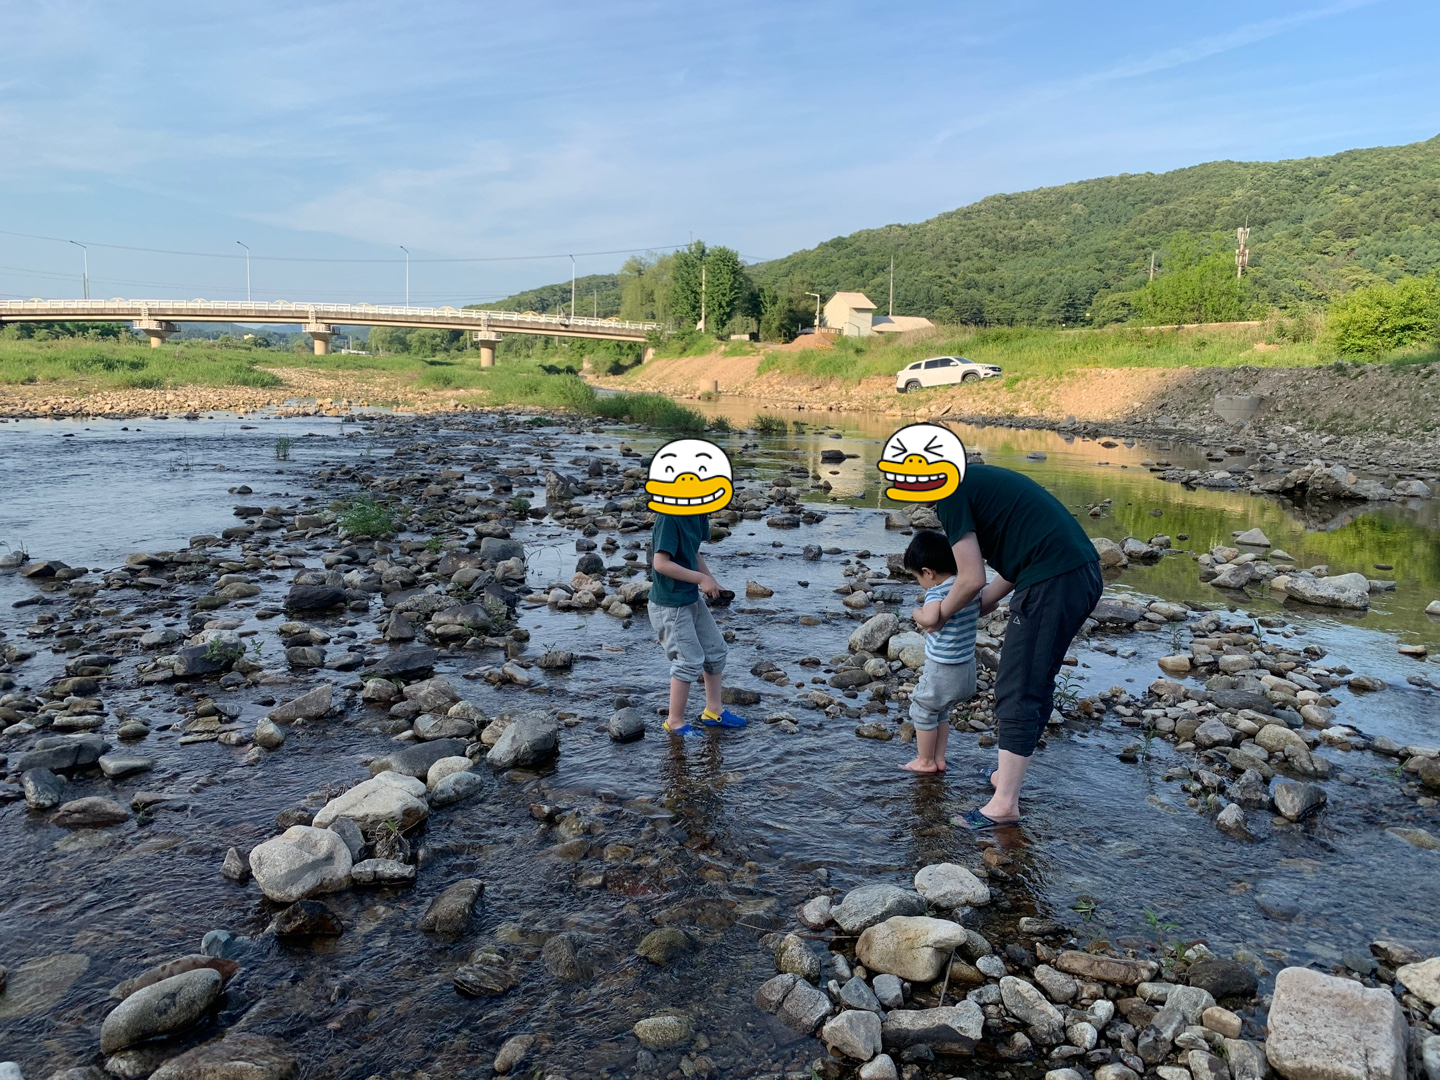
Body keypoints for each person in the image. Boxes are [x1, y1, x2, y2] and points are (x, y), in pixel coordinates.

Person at [931, 463, 1102, 827]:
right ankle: (1005, 780)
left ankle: (1004, 804)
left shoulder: (947, 491)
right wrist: (980, 605)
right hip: (1080, 572)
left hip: (1054, 579)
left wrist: (940, 614)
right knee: (1035, 681)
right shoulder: (978, 480)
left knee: (1018, 685)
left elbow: (972, 577)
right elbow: (1018, 554)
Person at [649, 503, 748, 736]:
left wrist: (711, 581)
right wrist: (700, 579)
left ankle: (713, 710)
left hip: (690, 598)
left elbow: (692, 552)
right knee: (688, 661)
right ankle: (674, 722)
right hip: (669, 604)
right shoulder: (669, 517)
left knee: (716, 650)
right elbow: (660, 563)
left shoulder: (699, 513)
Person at [901, 529, 981, 774]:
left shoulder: (937, 592)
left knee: (923, 709)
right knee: (941, 710)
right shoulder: (967, 588)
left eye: (918, 577)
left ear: (928, 572)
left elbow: (931, 617)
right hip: (967, 666)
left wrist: (916, 613)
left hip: (944, 668)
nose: (921, 583)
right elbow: (993, 603)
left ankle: (925, 762)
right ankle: (939, 759)